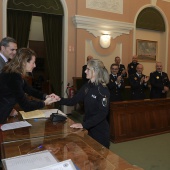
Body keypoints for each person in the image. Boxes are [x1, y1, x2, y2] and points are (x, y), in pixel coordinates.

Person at [58, 59, 110, 148]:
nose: (85, 71)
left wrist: (83, 125)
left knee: (99, 159)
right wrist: (58, 99)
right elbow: (73, 101)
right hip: (88, 128)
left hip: (99, 131)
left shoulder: (103, 90)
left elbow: (102, 114)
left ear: (95, 71)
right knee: (89, 157)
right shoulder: (87, 86)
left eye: (88, 69)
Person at [0, 48, 59, 124]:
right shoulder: (13, 77)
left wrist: (46, 96)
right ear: (24, 62)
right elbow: (26, 106)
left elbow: (29, 90)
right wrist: (44, 103)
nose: (35, 65)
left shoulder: (14, 74)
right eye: (33, 62)